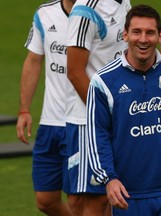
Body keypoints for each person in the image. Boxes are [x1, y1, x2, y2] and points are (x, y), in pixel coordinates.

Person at [86, 4, 161, 216]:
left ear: (160, 36)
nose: (143, 39)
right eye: (136, 32)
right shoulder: (103, 82)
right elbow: (97, 136)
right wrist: (109, 178)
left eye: (150, 32)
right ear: (125, 35)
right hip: (128, 192)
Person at [65, 0, 131, 215]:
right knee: (96, 199)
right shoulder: (87, 9)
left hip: (118, 118)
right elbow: (74, 71)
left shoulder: (123, 3)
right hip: (90, 123)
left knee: (113, 197)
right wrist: (104, 115)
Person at [16, 0, 76, 215]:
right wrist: (24, 109)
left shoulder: (100, 12)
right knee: (45, 200)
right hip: (50, 123)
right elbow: (33, 60)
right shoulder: (44, 13)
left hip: (80, 124)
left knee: (80, 200)